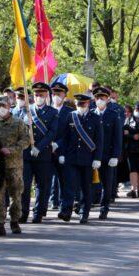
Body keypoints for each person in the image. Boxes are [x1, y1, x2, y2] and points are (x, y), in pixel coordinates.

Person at [0, 95, 30, 236]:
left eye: (3, 105)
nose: (0, 108)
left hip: (14, 165)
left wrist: (11, 149)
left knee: (16, 195)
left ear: (9, 106)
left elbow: (26, 140)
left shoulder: (18, 123)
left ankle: (15, 221)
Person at [17, 82, 60, 224]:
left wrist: (39, 147)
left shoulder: (53, 112)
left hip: (43, 154)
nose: (38, 97)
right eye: (36, 95)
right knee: (25, 185)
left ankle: (38, 213)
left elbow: (52, 133)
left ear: (46, 95)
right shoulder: (26, 111)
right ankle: (23, 212)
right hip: (26, 154)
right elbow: (20, 132)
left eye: (41, 95)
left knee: (42, 185)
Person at [57, 93, 102, 224]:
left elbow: (99, 140)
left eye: (83, 104)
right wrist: (61, 154)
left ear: (88, 104)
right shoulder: (70, 116)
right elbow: (65, 138)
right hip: (71, 157)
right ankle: (66, 210)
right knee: (69, 185)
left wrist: (97, 158)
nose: (80, 106)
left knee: (85, 187)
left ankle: (84, 212)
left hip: (88, 158)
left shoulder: (95, 118)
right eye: (78, 104)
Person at [93, 87, 122, 220]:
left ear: (107, 99)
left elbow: (117, 137)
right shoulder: (91, 114)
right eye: (97, 98)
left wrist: (115, 155)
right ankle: (85, 206)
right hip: (92, 155)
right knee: (89, 182)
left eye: (102, 98)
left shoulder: (113, 115)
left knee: (107, 183)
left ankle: (104, 208)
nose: (100, 100)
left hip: (108, 155)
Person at [49, 82, 72, 211]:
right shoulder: (46, 110)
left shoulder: (70, 113)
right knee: (46, 180)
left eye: (59, 93)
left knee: (64, 180)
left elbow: (70, 134)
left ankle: (65, 207)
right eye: (54, 93)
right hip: (46, 150)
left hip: (63, 151)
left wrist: (58, 144)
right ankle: (47, 204)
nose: (56, 96)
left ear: (64, 95)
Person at [124, 103, 139, 198]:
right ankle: (133, 190)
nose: (138, 112)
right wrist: (132, 136)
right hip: (131, 148)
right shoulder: (129, 120)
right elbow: (124, 132)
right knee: (133, 169)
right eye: (136, 110)